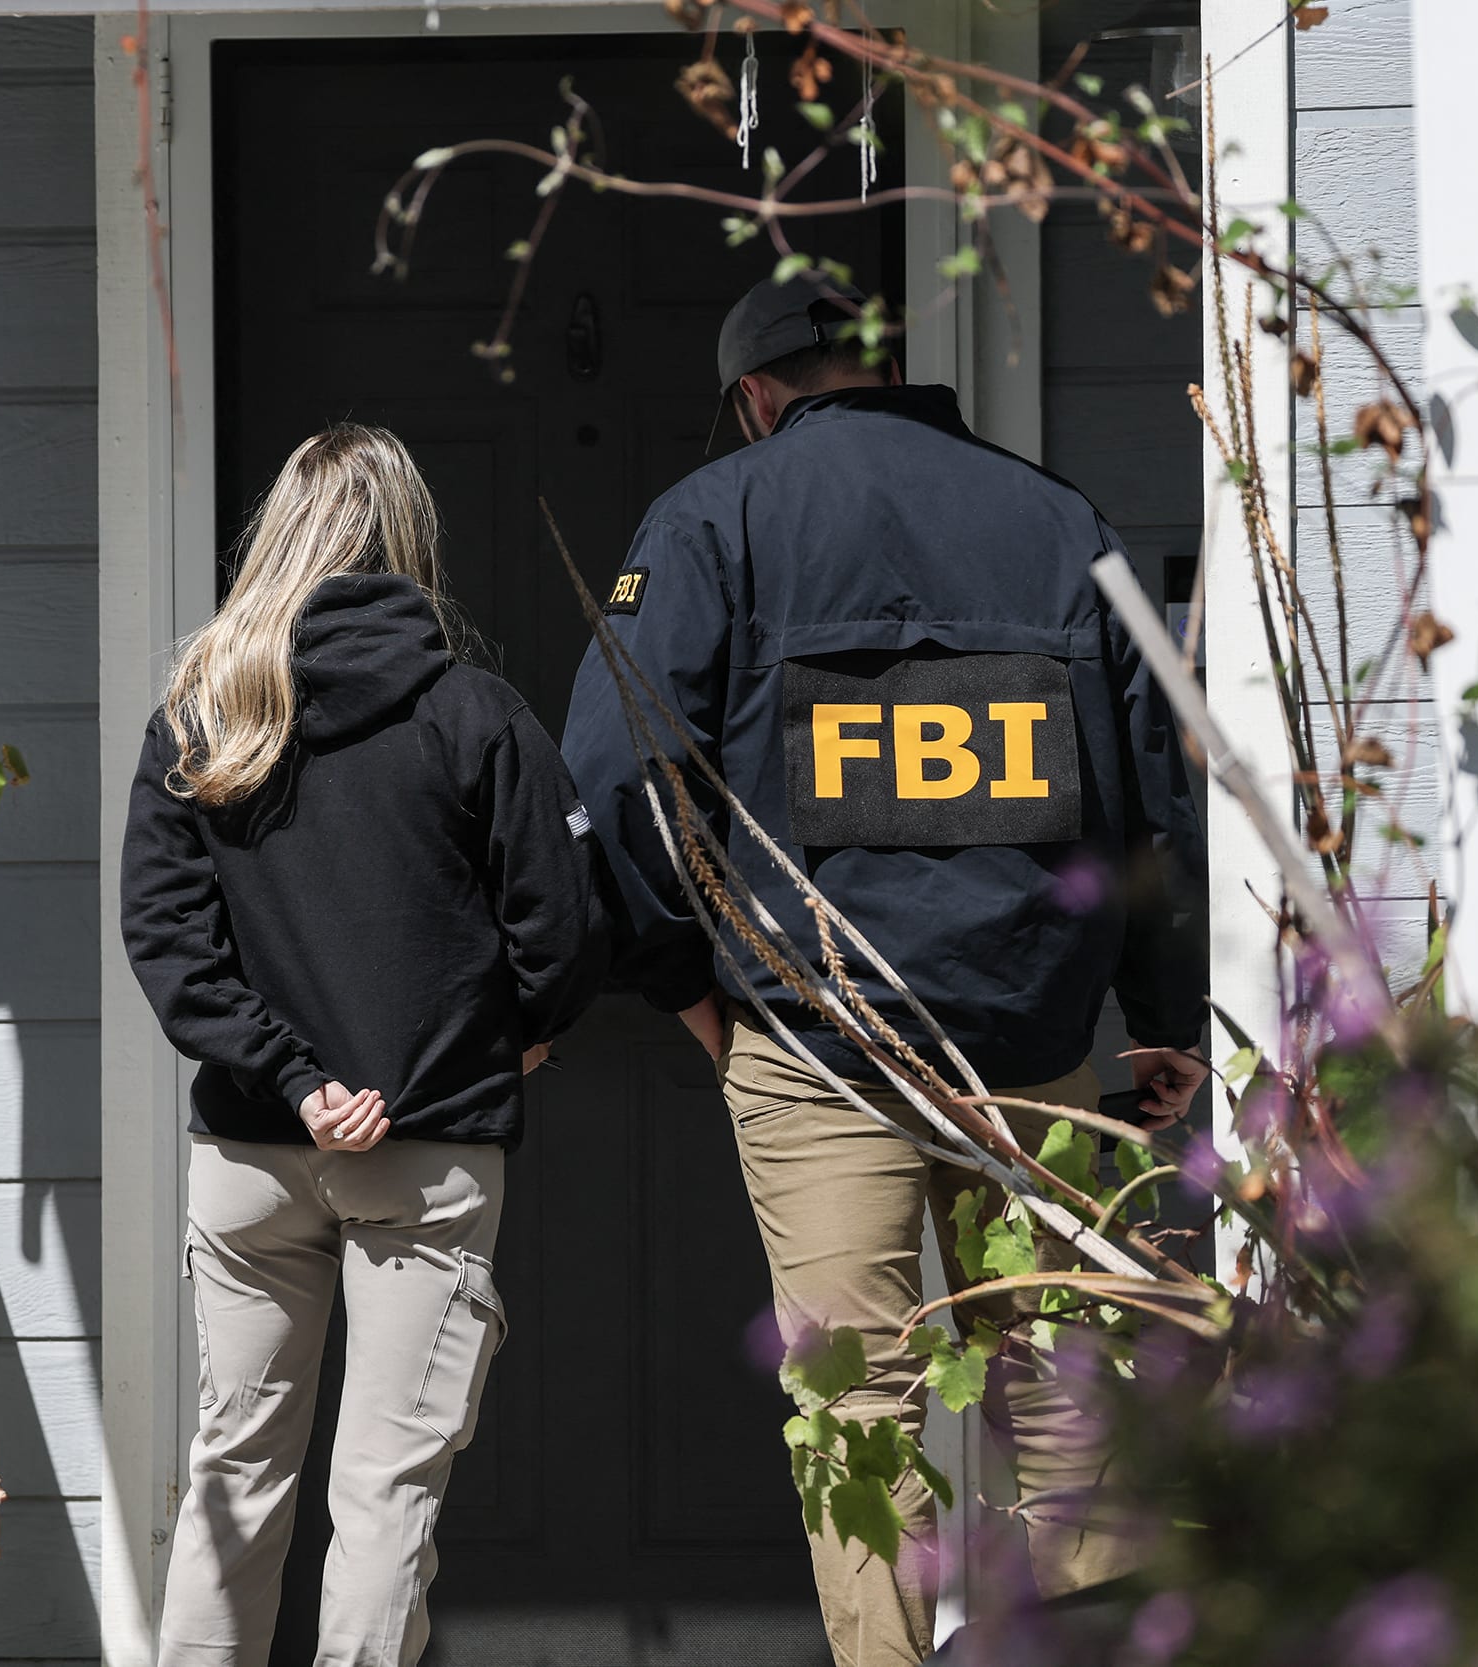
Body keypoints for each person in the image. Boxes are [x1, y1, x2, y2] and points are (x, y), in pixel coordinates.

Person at [561, 275, 1209, 1666]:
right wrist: (1157, 1015)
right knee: (1067, 1391)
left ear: (755, 397)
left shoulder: (711, 518)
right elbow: (1158, 789)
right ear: (891, 365)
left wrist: (692, 981)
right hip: (1038, 1044)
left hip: (815, 1041)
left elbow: (615, 775)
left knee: (858, 1412)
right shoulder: (1057, 516)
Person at [121, 424, 608, 1667]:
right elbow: (561, 919)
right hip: (427, 1153)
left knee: (233, 1473)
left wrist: (290, 1076)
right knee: (385, 1492)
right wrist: (516, 1042)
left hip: (247, 1154)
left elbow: (168, 941)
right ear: (409, 543)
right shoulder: (469, 712)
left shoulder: (203, 713)